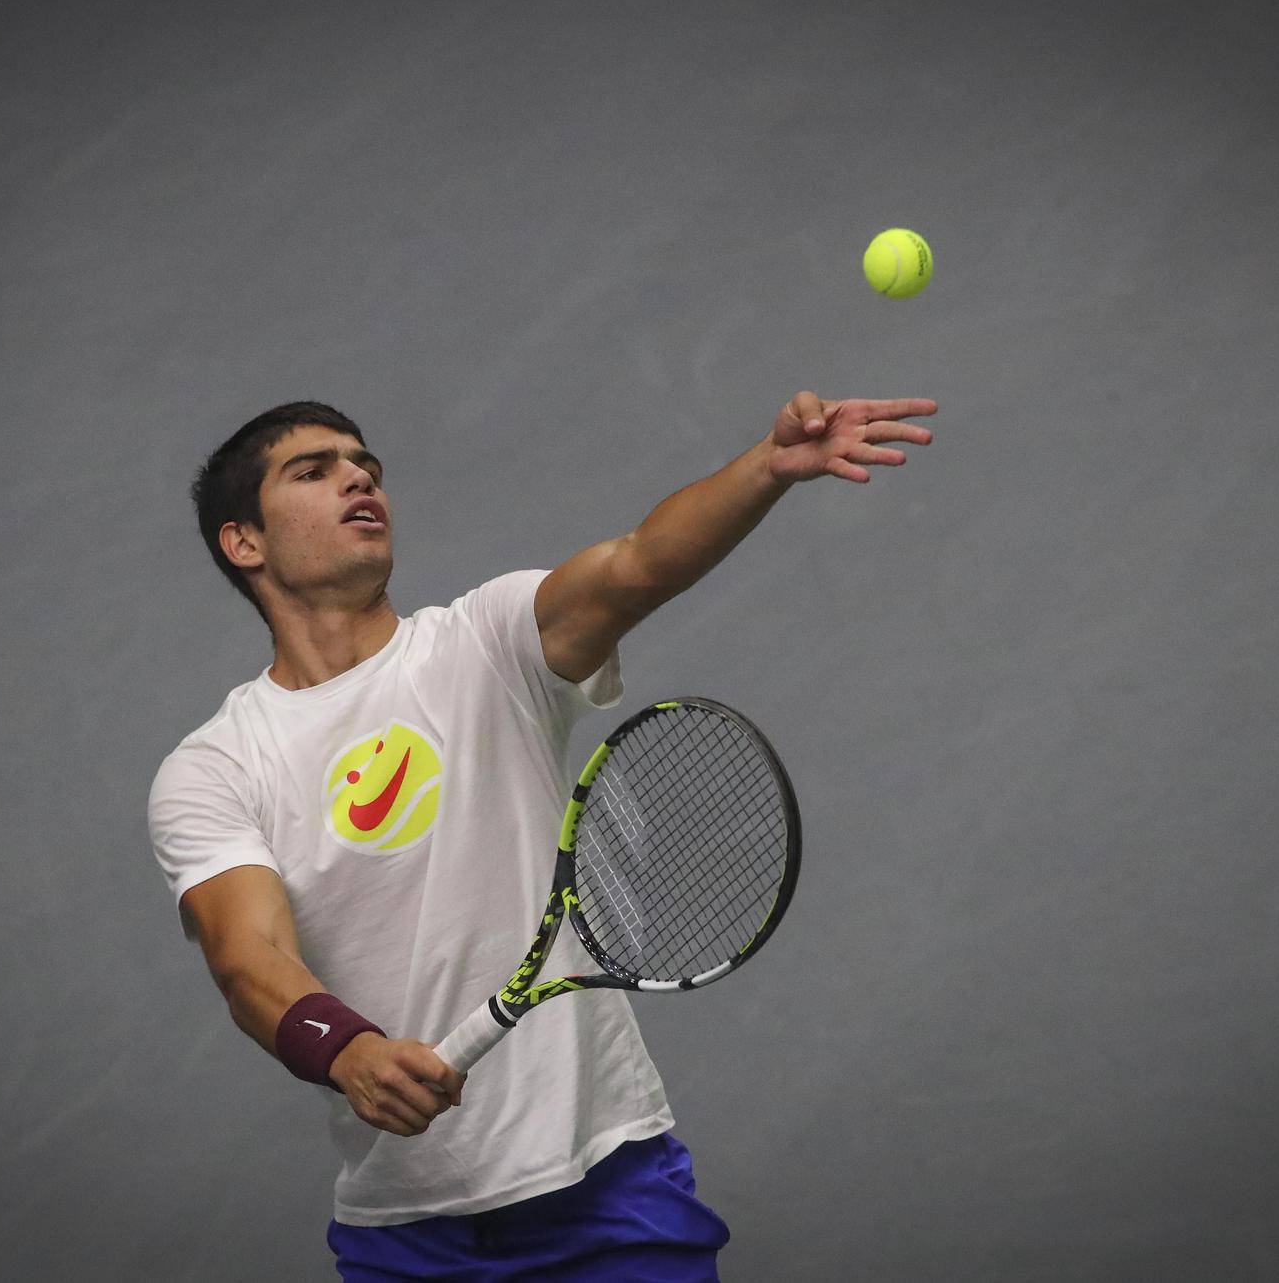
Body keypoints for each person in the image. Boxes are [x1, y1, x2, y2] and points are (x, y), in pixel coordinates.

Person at [148, 392, 933, 1279]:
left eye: (364, 462)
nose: (358, 476)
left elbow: (638, 564)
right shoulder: (215, 766)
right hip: (408, 1233)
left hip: (610, 1193)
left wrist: (765, 468)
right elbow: (246, 956)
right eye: (313, 469)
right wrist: (349, 1049)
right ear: (243, 541)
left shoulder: (485, 642)